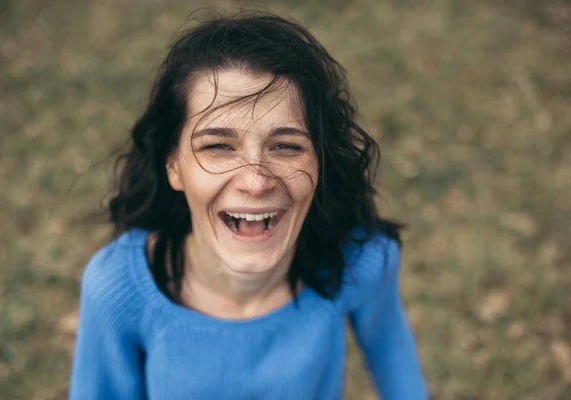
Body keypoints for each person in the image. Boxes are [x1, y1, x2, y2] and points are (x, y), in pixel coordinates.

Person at [69, 10, 428, 400]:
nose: (256, 182)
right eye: (218, 146)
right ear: (174, 166)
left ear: (320, 162)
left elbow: (400, 373)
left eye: (286, 146)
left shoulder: (360, 261)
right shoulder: (118, 288)